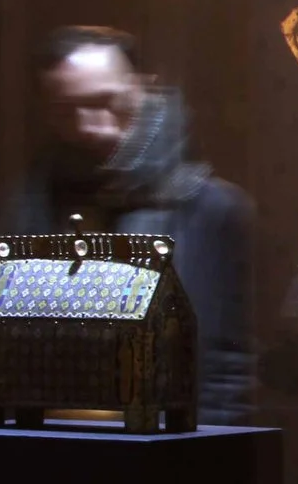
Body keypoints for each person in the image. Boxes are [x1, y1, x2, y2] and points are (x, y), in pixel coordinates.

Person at [15, 27, 254, 425]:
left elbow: (221, 374)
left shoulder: (208, 208)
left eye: (106, 102)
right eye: (65, 110)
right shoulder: (37, 201)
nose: (89, 125)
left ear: (143, 90)